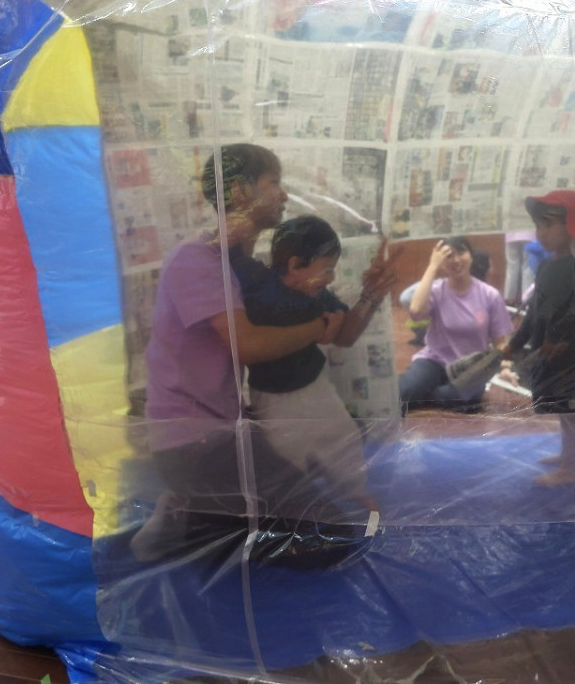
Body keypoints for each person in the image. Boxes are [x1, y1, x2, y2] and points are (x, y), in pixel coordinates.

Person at [138, 143, 398, 560]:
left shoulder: (251, 273)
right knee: (324, 542)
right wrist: (318, 328)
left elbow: (344, 334)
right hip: (193, 444)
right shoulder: (198, 261)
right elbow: (251, 346)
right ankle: (191, 516)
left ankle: (204, 512)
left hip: (228, 430)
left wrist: (370, 295)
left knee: (329, 530)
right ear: (240, 191)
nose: (284, 194)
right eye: (274, 183)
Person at [236, 215, 392, 513]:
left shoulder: (317, 296)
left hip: (315, 387)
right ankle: (294, 500)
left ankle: (353, 489)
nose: (331, 277)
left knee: (343, 437)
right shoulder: (258, 286)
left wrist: (370, 297)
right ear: (295, 265)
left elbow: (346, 335)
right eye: (327, 268)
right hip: (272, 399)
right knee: (286, 455)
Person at [505, 190, 575, 487]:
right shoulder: (547, 266)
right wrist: (516, 342)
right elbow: (535, 310)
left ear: (571, 226)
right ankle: (566, 455)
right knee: (563, 408)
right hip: (551, 353)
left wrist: (561, 340)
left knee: (573, 411)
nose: (542, 233)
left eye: (549, 225)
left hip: (574, 358)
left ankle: (571, 468)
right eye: (538, 226)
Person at [398, 236, 513, 414]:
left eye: (461, 252)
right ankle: (423, 386)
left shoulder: (490, 295)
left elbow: (500, 342)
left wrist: (505, 368)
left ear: (471, 256)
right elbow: (415, 310)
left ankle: (430, 392)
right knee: (404, 392)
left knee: (461, 402)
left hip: (470, 367)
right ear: (441, 262)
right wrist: (432, 266)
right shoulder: (437, 290)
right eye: (449, 256)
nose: (456, 260)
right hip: (434, 360)